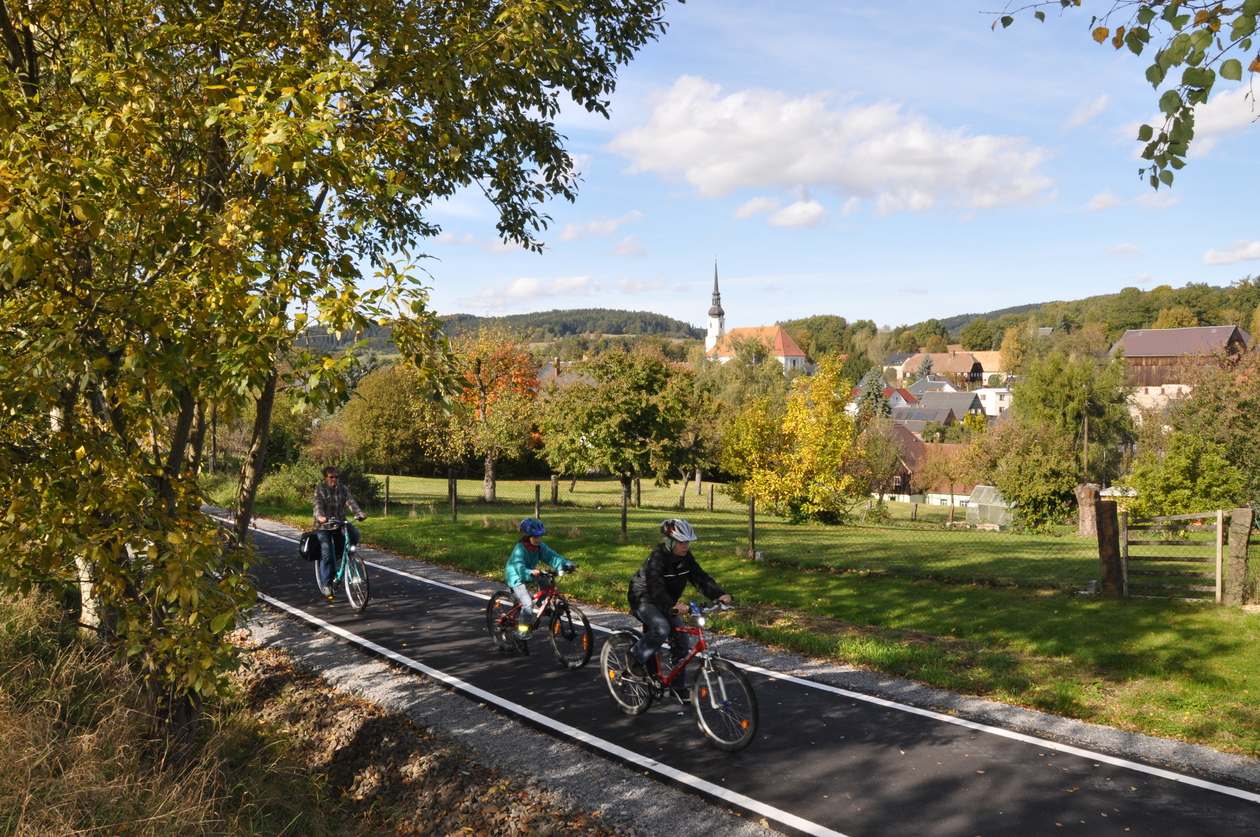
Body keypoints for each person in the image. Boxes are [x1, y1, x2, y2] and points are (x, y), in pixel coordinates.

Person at [627, 518, 732, 702]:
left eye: (688, 542)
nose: (686, 546)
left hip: (666, 602)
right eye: (682, 542)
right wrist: (672, 607)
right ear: (670, 541)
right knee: (661, 628)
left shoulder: (686, 558)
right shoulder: (657, 558)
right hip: (644, 597)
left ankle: (677, 688)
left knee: (682, 640)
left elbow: (700, 578)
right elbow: (656, 587)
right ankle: (635, 655)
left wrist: (719, 595)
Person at [505, 518, 576, 640]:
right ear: (527, 536)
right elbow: (519, 567)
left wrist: (566, 564)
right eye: (535, 537)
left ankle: (542, 603)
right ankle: (521, 634)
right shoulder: (520, 549)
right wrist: (529, 572)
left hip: (531, 572)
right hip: (516, 576)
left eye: (540, 537)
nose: (538, 540)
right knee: (527, 604)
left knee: (544, 580)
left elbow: (553, 558)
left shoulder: (540, 547)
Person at [313, 466, 367, 597]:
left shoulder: (343, 488)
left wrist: (359, 513)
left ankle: (342, 556)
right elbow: (317, 505)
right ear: (326, 478)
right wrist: (320, 517)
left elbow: (351, 502)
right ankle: (326, 584)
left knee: (354, 534)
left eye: (336, 476)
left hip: (340, 522)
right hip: (324, 526)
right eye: (331, 477)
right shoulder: (320, 489)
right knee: (326, 553)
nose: (334, 479)